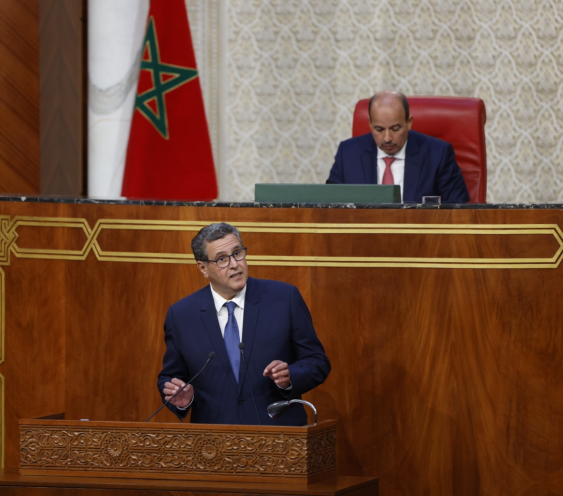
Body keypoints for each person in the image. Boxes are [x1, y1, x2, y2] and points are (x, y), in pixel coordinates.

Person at [157, 223, 330, 425]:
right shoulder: (181, 315)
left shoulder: (283, 299)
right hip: (214, 442)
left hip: (279, 437)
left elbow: (317, 362)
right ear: (203, 268)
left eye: (237, 253)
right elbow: (171, 377)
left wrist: (290, 376)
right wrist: (182, 399)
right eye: (222, 259)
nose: (234, 264)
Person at [327, 91, 470, 203]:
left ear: (409, 122)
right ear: (370, 124)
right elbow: (329, 206)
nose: (387, 138)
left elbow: (457, 209)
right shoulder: (348, 154)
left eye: (395, 129)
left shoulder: (438, 155)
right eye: (379, 129)